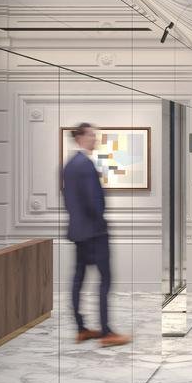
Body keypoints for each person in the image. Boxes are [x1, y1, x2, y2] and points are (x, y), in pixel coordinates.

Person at [63, 123, 131, 347]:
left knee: (78, 280)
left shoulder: (69, 166)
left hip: (78, 232)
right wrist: (102, 223)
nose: (95, 139)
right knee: (105, 280)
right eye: (92, 135)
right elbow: (94, 202)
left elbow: (70, 200)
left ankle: (81, 329)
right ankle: (106, 332)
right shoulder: (86, 165)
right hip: (95, 233)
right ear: (81, 137)